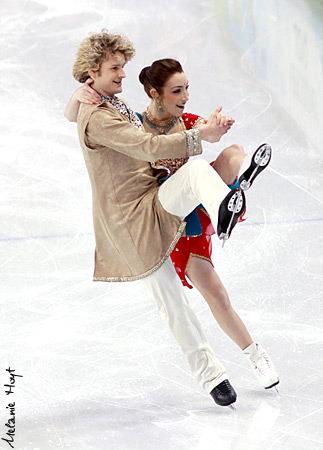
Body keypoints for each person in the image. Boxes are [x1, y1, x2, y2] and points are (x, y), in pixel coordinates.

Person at [64, 30, 276, 408]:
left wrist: (78, 93)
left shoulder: (102, 100)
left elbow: (72, 112)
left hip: (153, 201)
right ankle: (213, 378)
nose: (123, 74)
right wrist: (199, 136)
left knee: (194, 175)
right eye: (115, 68)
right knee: (172, 303)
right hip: (130, 225)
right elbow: (145, 145)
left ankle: (226, 204)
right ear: (92, 71)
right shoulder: (98, 117)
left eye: (123, 68)